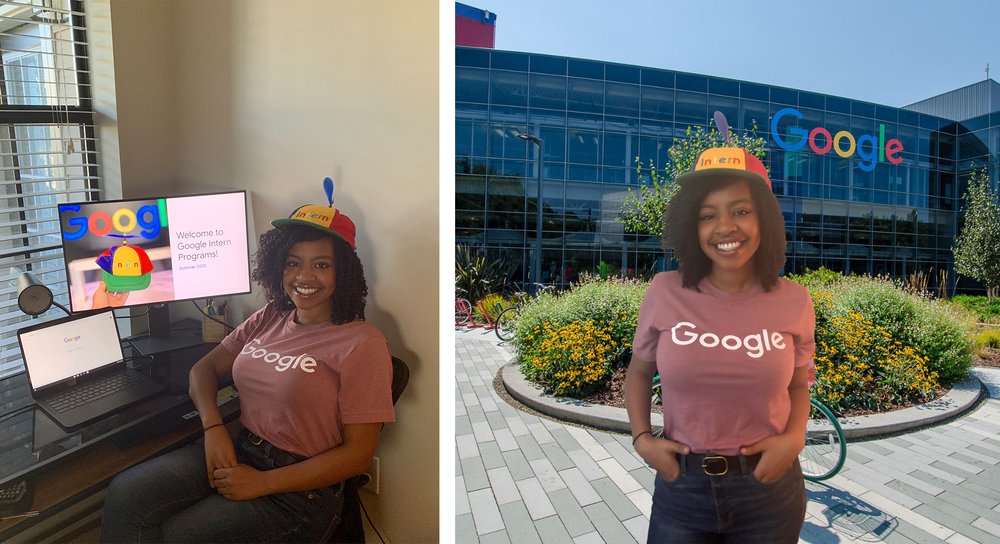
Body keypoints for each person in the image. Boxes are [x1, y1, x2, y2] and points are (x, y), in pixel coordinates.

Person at [99, 189, 395, 543]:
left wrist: (263, 483)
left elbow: (358, 456)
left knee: (180, 535)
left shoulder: (362, 342)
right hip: (239, 449)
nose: (304, 276)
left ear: (343, 272)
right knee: (127, 492)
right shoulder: (272, 315)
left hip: (299, 491)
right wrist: (213, 429)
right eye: (293, 262)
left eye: (321, 264)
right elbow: (202, 372)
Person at [624, 146, 815, 543]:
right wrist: (643, 440)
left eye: (741, 211)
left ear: (764, 218)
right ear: (691, 226)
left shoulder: (795, 300)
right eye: (708, 215)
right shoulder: (665, 291)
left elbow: (799, 383)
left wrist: (794, 439)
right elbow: (639, 371)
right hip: (683, 489)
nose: (725, 227)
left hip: (769, 488)